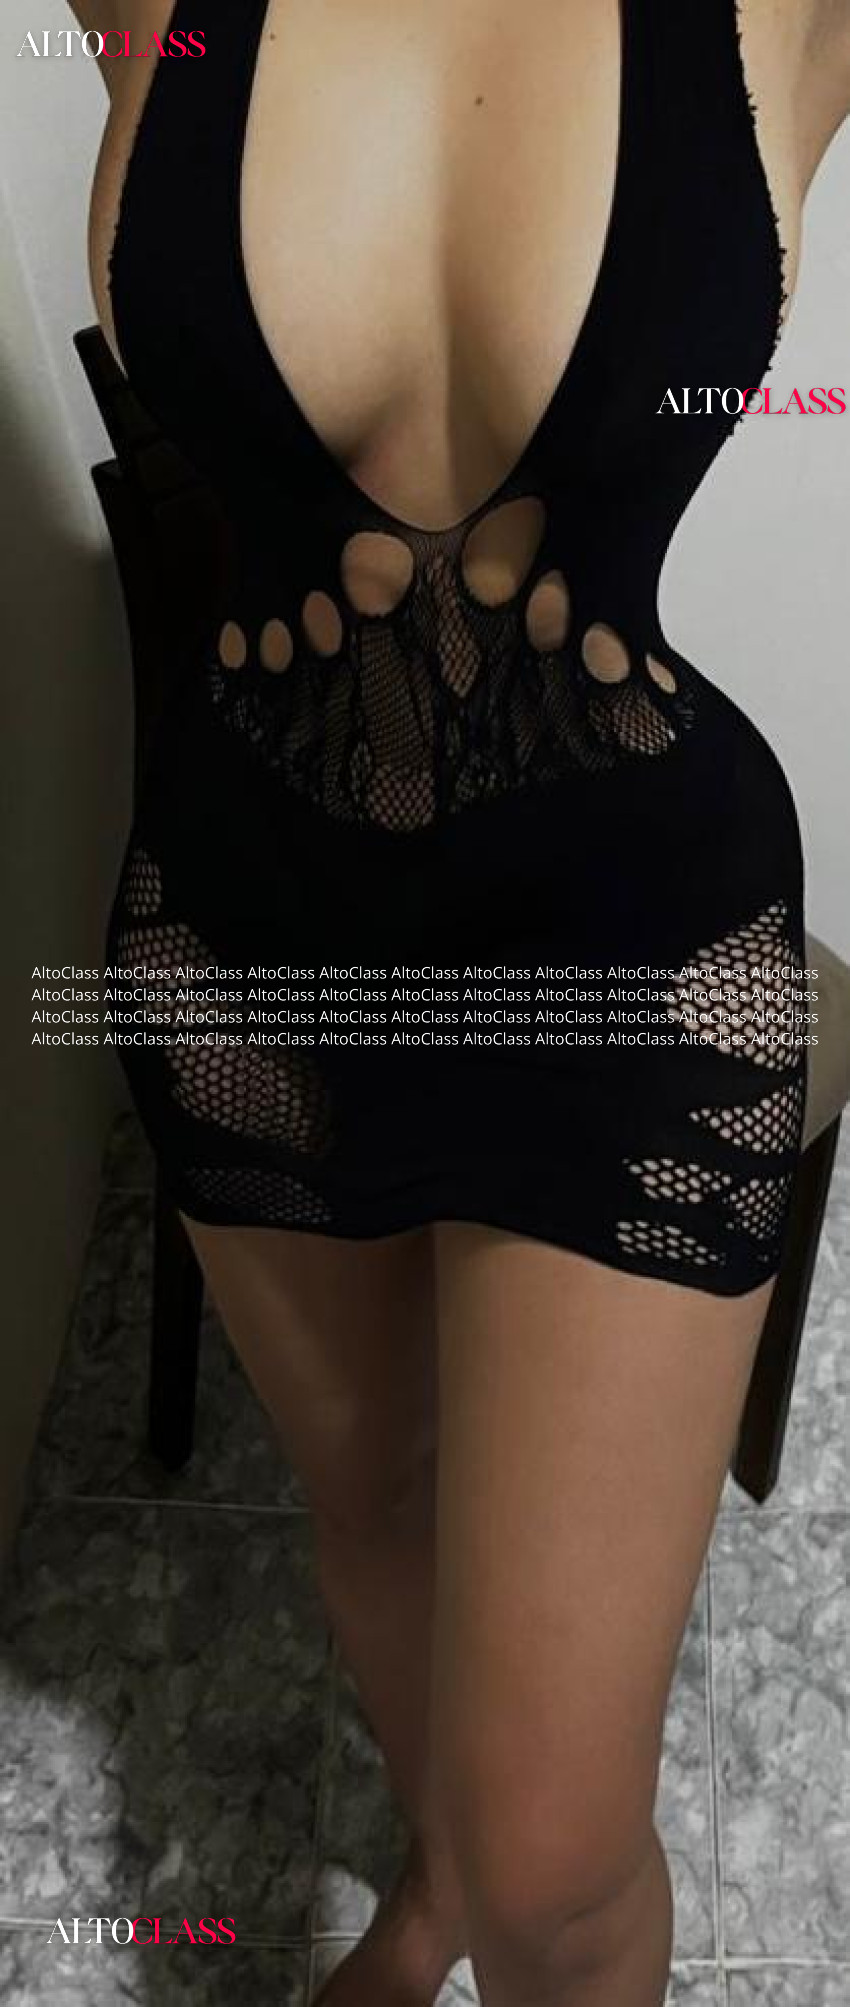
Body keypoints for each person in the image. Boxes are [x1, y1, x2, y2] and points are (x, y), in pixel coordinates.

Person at [76, 2, 849, 2001]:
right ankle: (426, 1883)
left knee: (559, 1868)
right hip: (251, 931)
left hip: (627, 955)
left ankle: (485, 1884)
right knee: (377, 1499)